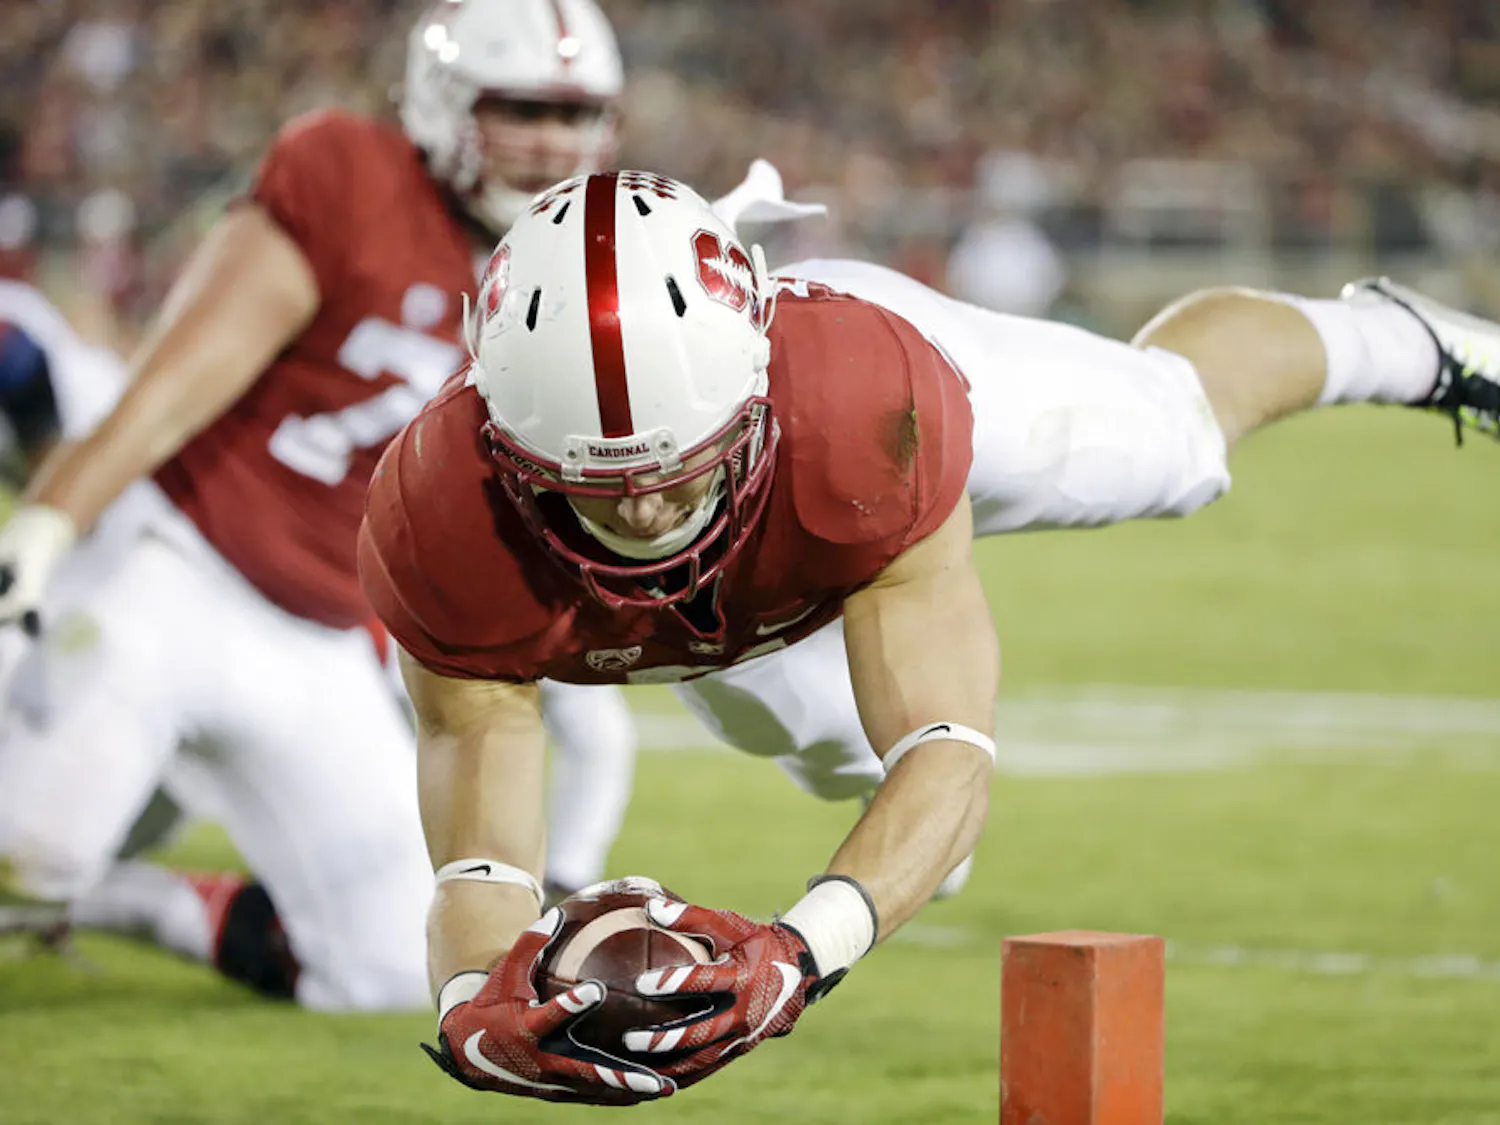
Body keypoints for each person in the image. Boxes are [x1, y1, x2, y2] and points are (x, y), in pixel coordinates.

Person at [358, 169, 1499, 1101]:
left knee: (1176, 439)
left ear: (747, 392)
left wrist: (797, 961)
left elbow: (949, 747)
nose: (647, 513)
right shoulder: (438, 516)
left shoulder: (861, 410)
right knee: (905, 838)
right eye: (593, 490)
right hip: (742, 608)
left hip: (863, 473)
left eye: (677, 473)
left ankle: (1402, 343)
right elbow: (481, 859)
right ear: (505, 445)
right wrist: (475, 1010)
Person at [0, 0, 639, 1011]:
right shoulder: (349, 173)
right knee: (27, 851)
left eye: (576, 114)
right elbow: (175, 380)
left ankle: (124, 905)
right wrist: (54, 515)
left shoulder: (564, 270)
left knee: (398, 962)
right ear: (446, 103)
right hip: (173, 566)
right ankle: (54, 882)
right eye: (521, 108)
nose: (554, 140)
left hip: (324, 638)